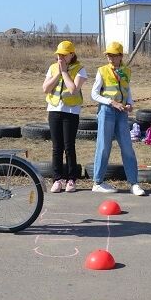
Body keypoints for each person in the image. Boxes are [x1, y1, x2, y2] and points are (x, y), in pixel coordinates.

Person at [90, 42, 146, 196]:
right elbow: (94, 94)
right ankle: (98, 182)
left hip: (122, 113)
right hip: (107, 111)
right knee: (103, 146)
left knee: (127, 147)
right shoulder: (102, 71)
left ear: (121, 56)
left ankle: (134, 183)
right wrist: (111, 102)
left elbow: (127, 90)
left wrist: (130, 103)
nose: (110, 58)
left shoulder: (126, 71)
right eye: (108, 55)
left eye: (113, 55)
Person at [42, 40, 87, 193]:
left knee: (69, 146)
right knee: (56, 147)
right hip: (54, 110)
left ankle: (71, 179)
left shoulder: (80, 69)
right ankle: (57, 179)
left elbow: (73, 89)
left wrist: (65, 72)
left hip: (70, 112)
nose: (60, 57)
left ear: (71, 55)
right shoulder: (52, 68)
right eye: (58, 55)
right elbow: (45, 88)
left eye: (63, 55)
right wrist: (58, 74)